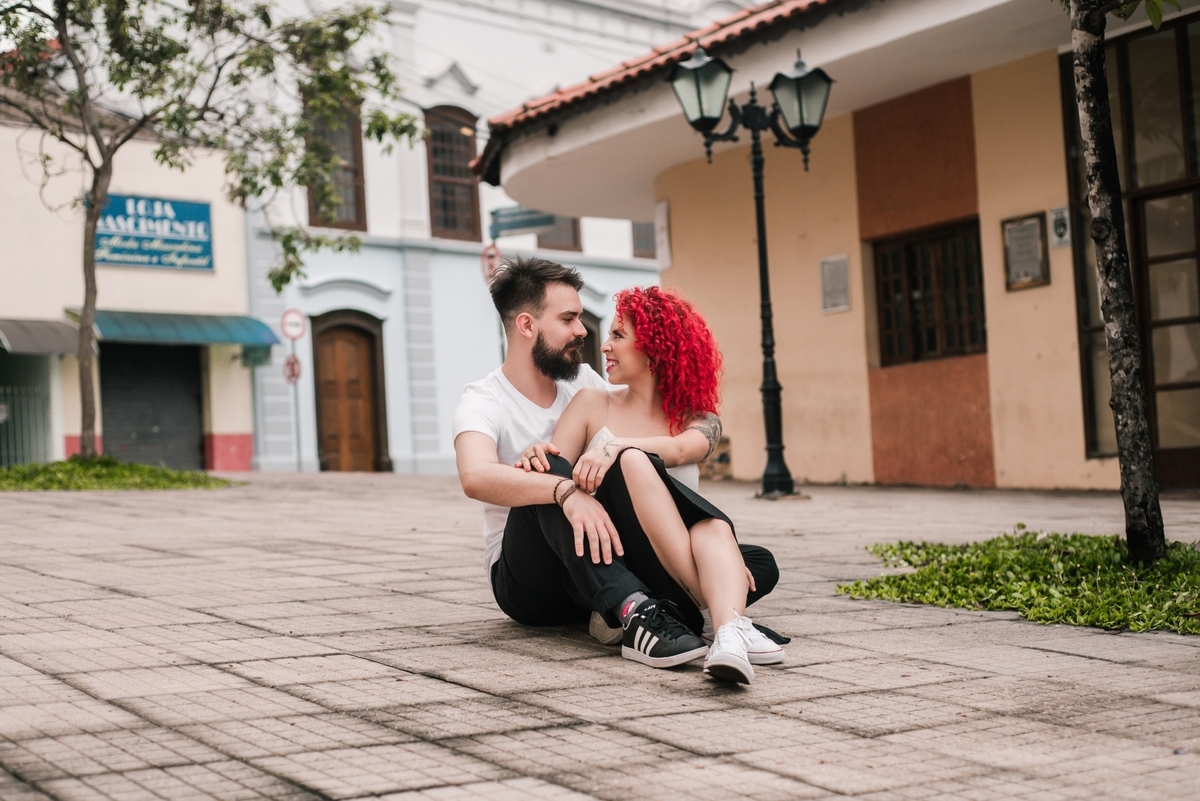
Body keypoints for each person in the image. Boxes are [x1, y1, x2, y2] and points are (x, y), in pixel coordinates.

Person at [453, 257, 778, 672]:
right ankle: (639, 610)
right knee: (544, 475)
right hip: (529, 573)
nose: (584, 332)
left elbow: (643, 406)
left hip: (597, 549)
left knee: (755, 561)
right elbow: (476, 476)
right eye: (569, 318)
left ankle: (678, 607)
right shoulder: (482, 400)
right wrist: (564, 489)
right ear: (527, 326)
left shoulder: (587, 382)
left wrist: (696, 426)